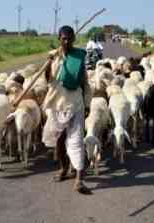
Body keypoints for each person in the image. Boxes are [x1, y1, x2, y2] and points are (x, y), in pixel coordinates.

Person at [43, 25, 92, 195]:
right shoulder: (54, 58)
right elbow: (48, 80)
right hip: (58, 105)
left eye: (69, 38)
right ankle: (64, 169)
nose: (66, 41)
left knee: (76, 140)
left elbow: (85, 82)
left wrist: (87, 104)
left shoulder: (79, 56)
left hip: (76, 103)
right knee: (59, 140)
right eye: (63, 38)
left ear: (74, 39)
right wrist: (49, 63)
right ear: (59, 39)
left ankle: (79, 179)